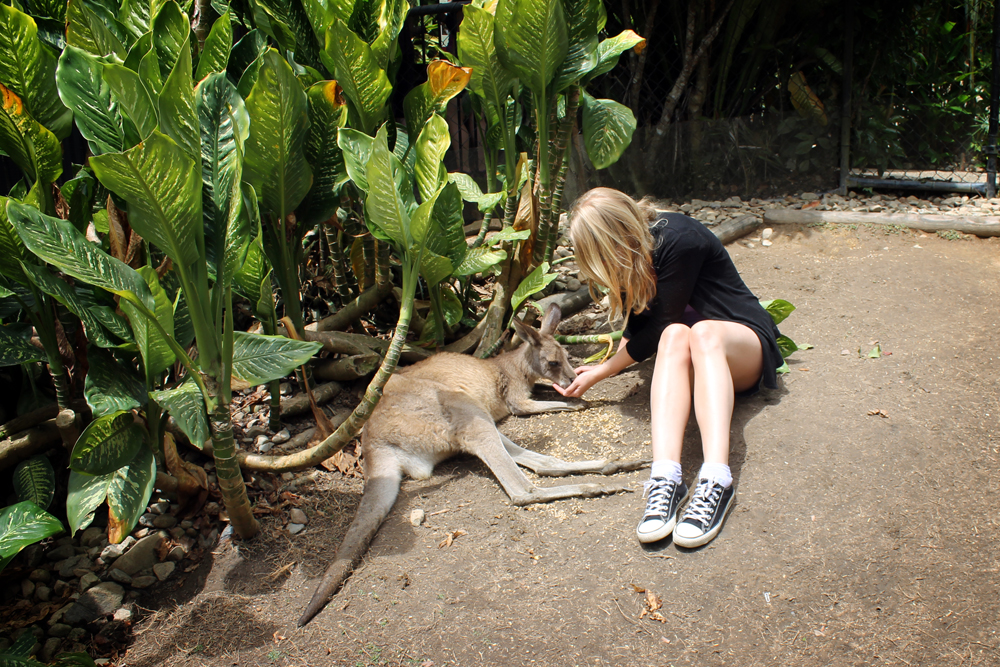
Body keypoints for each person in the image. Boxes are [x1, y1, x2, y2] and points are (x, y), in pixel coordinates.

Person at [552, 188, 783, 548]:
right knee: (677, 335)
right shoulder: (632, 254)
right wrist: (597, 368)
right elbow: (647, 328)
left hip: (741, 347)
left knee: (699, 331)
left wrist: (603, 371)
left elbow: (659, 324)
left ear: (618, 233)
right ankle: (666, 478)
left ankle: (717, 480)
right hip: (693, 357)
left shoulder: (678, 238)